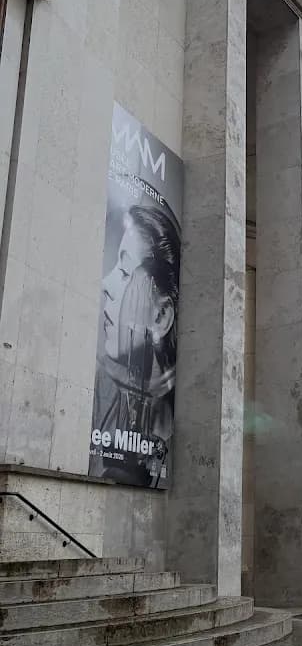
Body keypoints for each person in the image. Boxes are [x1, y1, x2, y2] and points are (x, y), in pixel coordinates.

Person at [91, 205, 180, 488]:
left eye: (126, 271)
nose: (105, 283)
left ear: (161, 316)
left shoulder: (177, 419)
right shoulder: (97, 394)